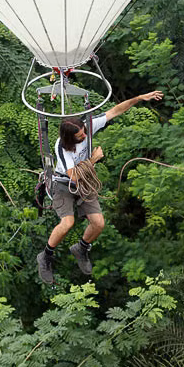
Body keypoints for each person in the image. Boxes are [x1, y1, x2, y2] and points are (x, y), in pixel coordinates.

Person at [37, 90, 164, 283]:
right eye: (80, 136)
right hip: (64, 184)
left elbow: (115, 111)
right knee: (67, 223)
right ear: (71, 138)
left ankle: (82, 248)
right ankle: (45, 256)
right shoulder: (62, 147)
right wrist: (93, 160)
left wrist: (139, 98)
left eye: (84, 132)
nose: (85, 136)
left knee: (99, 223)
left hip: (84, 182)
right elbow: (73, 177)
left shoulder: (86, 127)